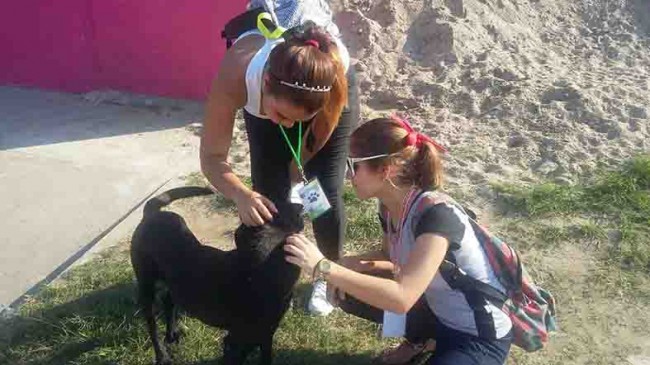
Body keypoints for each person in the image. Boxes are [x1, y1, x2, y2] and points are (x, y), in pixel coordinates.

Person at [284, 117, 513, 365]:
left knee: (348, 280)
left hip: (477, 335)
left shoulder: (437, 217)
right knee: (347, 287)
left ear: (385, 170)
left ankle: (431, 342)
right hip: (438, 313)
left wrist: (324, 267)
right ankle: (420, 341)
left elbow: (402, 297)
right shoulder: (389, 206)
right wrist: (348, 263)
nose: (348, 175)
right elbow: (389, 257)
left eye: (353, 166)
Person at [200, 0, 358, 316]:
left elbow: (317, 130)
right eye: (283, 116)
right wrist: (240, 194)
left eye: (297, 119)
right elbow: (212, 156)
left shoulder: (333, 71)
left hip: (322, 96)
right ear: (266, 84)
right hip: (269, 92)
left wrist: (298, 167)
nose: (288, 126)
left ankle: (329, 273)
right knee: (268, 194)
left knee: (320, 190)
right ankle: (272, 275)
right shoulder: (237, 74)